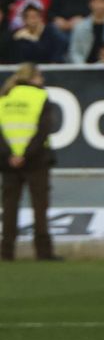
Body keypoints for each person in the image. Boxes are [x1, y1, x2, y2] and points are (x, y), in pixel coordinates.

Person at [1, 63, 62, 262]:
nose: (42, 81)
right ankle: (43, 252)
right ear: (33, 77)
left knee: (9, 207)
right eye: (40, 77)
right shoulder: (40, 97)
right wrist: (26, 154)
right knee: (40, 207)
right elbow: (42, 130)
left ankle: (6, 251)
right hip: (36, 160)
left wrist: (11, 154)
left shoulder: (4, 98)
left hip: (8, 161)